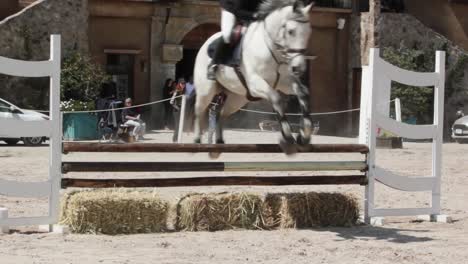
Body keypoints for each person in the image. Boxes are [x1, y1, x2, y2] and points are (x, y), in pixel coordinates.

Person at [207, 0, 264, 80]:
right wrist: (255, 15)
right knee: (227, 35)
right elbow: (238, 11)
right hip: (231, 8)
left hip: (250, 12)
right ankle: (213, 64)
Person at [170, 78, 186, 143]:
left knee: (181, 125)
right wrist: (177, 107)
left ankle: (178, 139)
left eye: (184, 83)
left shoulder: (184, 91)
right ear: (179, 83)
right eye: (182, 83)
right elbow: (171, 101)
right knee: (177, 125)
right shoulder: (177, 91)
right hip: (176, 110)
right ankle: (174, 139)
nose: (183, 85)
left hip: (182, 110)